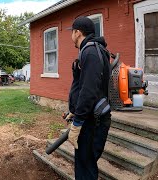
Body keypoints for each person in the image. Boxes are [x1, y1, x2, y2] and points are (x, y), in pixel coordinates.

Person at [67, 16, 111, 179]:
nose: (71, 35)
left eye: (72, 31)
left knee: (86, 168)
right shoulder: (93, 50)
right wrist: (74, 111)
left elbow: (89, 91)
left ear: (78, 32)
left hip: (92, 121)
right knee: (85, 163)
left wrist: (77, 123)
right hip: (90, 117)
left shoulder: (91, 52)